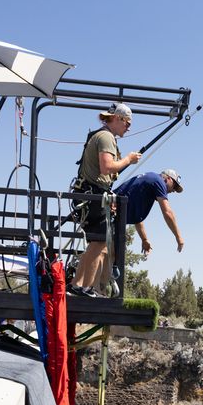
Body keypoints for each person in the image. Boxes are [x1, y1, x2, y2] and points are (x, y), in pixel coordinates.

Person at [69, 103, 141, 297]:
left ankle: (78, 285)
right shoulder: (107, 137)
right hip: (93, 196)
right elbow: (107, 167)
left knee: (95, 242)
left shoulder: (100, 135)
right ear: (117, 119)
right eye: (127, 123)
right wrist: (128, 160)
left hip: (88, 194)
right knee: (99, 243)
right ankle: (82, 286)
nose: (129, 127)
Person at [113, 169, 185, 256]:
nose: (173, 190)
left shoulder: (150, 183)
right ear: (168, 179)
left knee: (115, 254)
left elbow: (137, 217)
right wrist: (178, 237)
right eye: (174, 186)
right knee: (106, 253)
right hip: (108, 213)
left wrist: (144, 239)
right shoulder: (159, 182)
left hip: (112, 217)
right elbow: (167, 212)